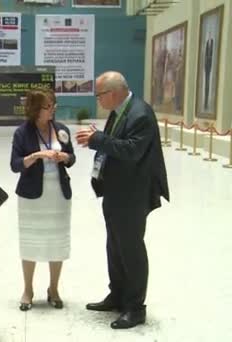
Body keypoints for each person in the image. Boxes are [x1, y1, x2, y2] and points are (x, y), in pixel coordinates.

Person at [75, 71, 169, 329]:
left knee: (130, 249)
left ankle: (135, 307)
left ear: (113, 92)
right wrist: (100, 138)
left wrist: (97, 140)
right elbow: (117, 142)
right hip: (116, 190)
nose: (98, 100)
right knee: (115, 246)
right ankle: (117, 294)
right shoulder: (120, 110)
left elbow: (132, 150)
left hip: (133, 194)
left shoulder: (141, 114)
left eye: (99, 95)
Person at [10, 88, 75, 311]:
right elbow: (15, 164)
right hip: (31, 196)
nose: (53, 110)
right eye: (48, 106)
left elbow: (72, 158)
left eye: (54, 105)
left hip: (58, 194)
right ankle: (28, 289)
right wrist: (36, 156)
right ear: (36, 109)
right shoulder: (22, 133)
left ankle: (54, 289)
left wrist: (64, 157)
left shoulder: (62, 130)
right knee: (31, 241)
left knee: (56, 241)